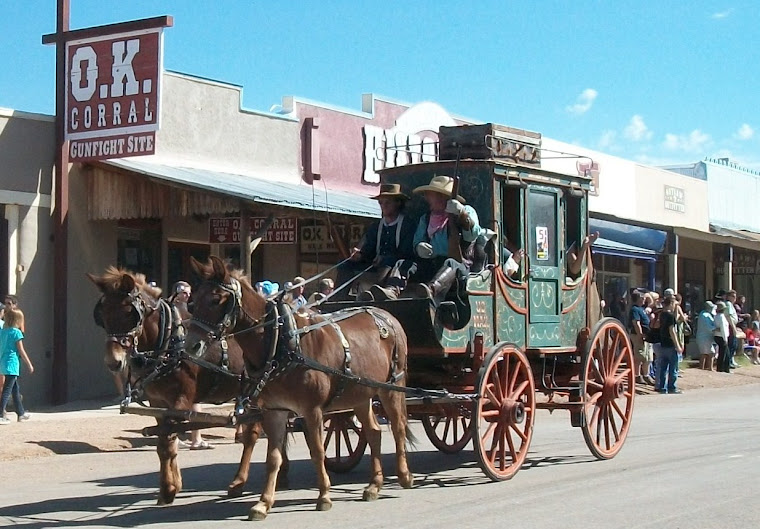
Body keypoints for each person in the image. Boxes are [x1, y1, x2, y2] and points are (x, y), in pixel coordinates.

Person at [363, 175, 483, 310]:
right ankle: (392, 290)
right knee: (403, 263)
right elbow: (417, 241)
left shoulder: (466, 210)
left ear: (441, 196)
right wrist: (418, 247)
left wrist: (461, 214)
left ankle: (431, 290)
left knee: (451, 264)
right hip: (431, 265)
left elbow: (473, 233)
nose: (427, 198)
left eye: (430, 195)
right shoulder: (425, 219)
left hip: (459, 268)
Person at [335, 184, 415, 299]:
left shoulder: (408, 225)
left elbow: (406, 252)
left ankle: (376, 295)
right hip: (376, 263)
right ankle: (337, 298)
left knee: (387, 262)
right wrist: (359, 254)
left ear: (398, 203)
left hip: (396, 266)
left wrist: (385, 258)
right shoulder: (376, 226)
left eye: (387, 202)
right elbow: (369, 248)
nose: (383, 206)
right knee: (345, 264)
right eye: (381, 203)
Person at [169, 282, 213, 450]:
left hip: (189, 353)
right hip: (180, 356)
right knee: (192, 397)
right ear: (175, 293)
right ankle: (194, 438)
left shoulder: (188, 307)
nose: (186, 295)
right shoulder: (172, 308)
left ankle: (195, 437)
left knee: (192, 399)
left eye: (188, 292)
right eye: (183, 292)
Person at [0, 308, 33, 423]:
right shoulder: (16, 333)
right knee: (7, 390)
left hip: (3, 362)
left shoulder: (3, 332)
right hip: (12, 363)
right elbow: (21, 350)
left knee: (15, 389)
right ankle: (1, 414)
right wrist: (29, 364)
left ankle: (20, 412)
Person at [655, 297, 684, 394]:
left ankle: (662, 387)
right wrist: (677, 345)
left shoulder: (662, 315)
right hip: (671, 344)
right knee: (673, 368)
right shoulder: (670, 316)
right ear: (671, 303)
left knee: (663, 367)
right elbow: (672, 331)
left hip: (663, 343)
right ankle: (672, 387)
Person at [629, 291, 654, 385]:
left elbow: (651, 299)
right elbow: (636, 323)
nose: (644, 299)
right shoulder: (635, 309)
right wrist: (640, 335)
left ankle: (646, 375)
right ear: (638, 299)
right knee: (639, 356)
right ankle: (637, 376)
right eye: (642, 298)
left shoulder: (642, 309)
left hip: (647, 336)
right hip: (638, 335)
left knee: (648, 357)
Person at [695, 301, 716, 370]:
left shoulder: (705, 314)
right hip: (704, 337)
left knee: (708, 353)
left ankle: (707, 367)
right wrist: (717, 329)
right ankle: (704, 367)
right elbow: (709, 327)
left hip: (706, 337)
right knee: (706, 353)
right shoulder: (705, 315)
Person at [713, 301, 731, 373]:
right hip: (722, 336)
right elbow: (723, 328)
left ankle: (721, 368)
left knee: (722, 352)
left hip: (717, 335)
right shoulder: (722, 317)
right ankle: (723, 368)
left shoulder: (716, 316)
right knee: (725, 354)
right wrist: (725, 338)